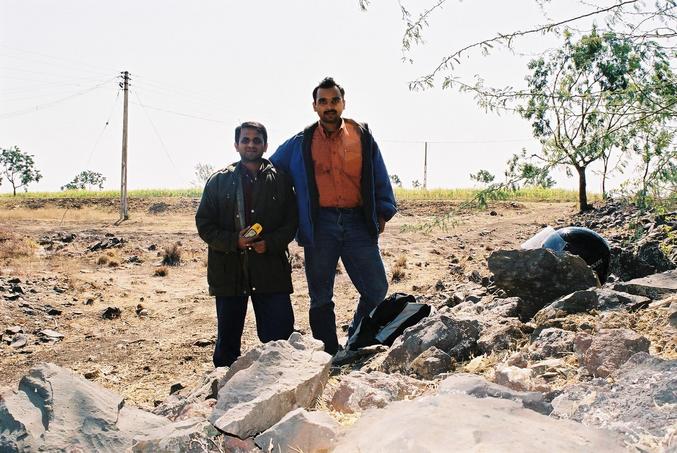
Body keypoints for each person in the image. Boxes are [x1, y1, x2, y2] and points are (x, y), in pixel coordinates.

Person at [270, 77, 397, 354]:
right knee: (320, 297)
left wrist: (384, 212)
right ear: (314, 106)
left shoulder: (361, 135)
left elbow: (379, 175)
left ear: (343, 103)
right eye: (323, 101)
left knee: (376, 289)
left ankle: (357, 337)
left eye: (334, 100)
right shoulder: (300, 142)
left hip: (358, 223)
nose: (329, 106)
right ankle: (329, 353)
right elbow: (272, 173)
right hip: (319, 226)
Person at [196, 121, 297, 367]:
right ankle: (222, 393)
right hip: (230, 274)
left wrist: (270, 243)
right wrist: (234, 241)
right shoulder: (218, 181)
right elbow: (204, 224)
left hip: (270, 271)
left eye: (256, 140)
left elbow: (291, 223)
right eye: (245, 140)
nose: (251, 144)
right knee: (227, 348)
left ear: (265, 145)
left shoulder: (281, 180)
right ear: (236, 144)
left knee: (280, 342)